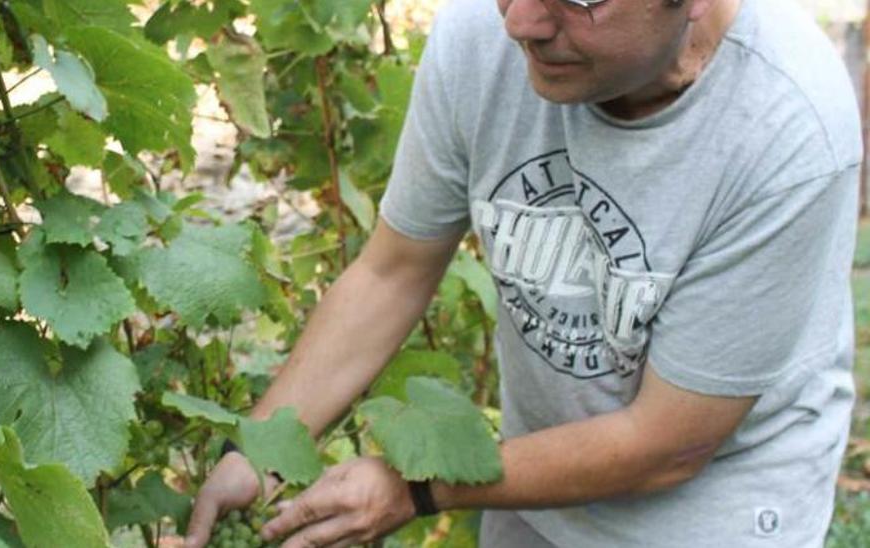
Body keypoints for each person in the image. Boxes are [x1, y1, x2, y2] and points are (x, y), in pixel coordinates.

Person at [183, 0, 863, 544]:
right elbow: (392, 273)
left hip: (708, 511)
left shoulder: (787, 127)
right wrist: (259, 451)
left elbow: (667, 444)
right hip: (534, 481)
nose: (520, 22)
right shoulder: (488, 34)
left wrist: (420, 487)